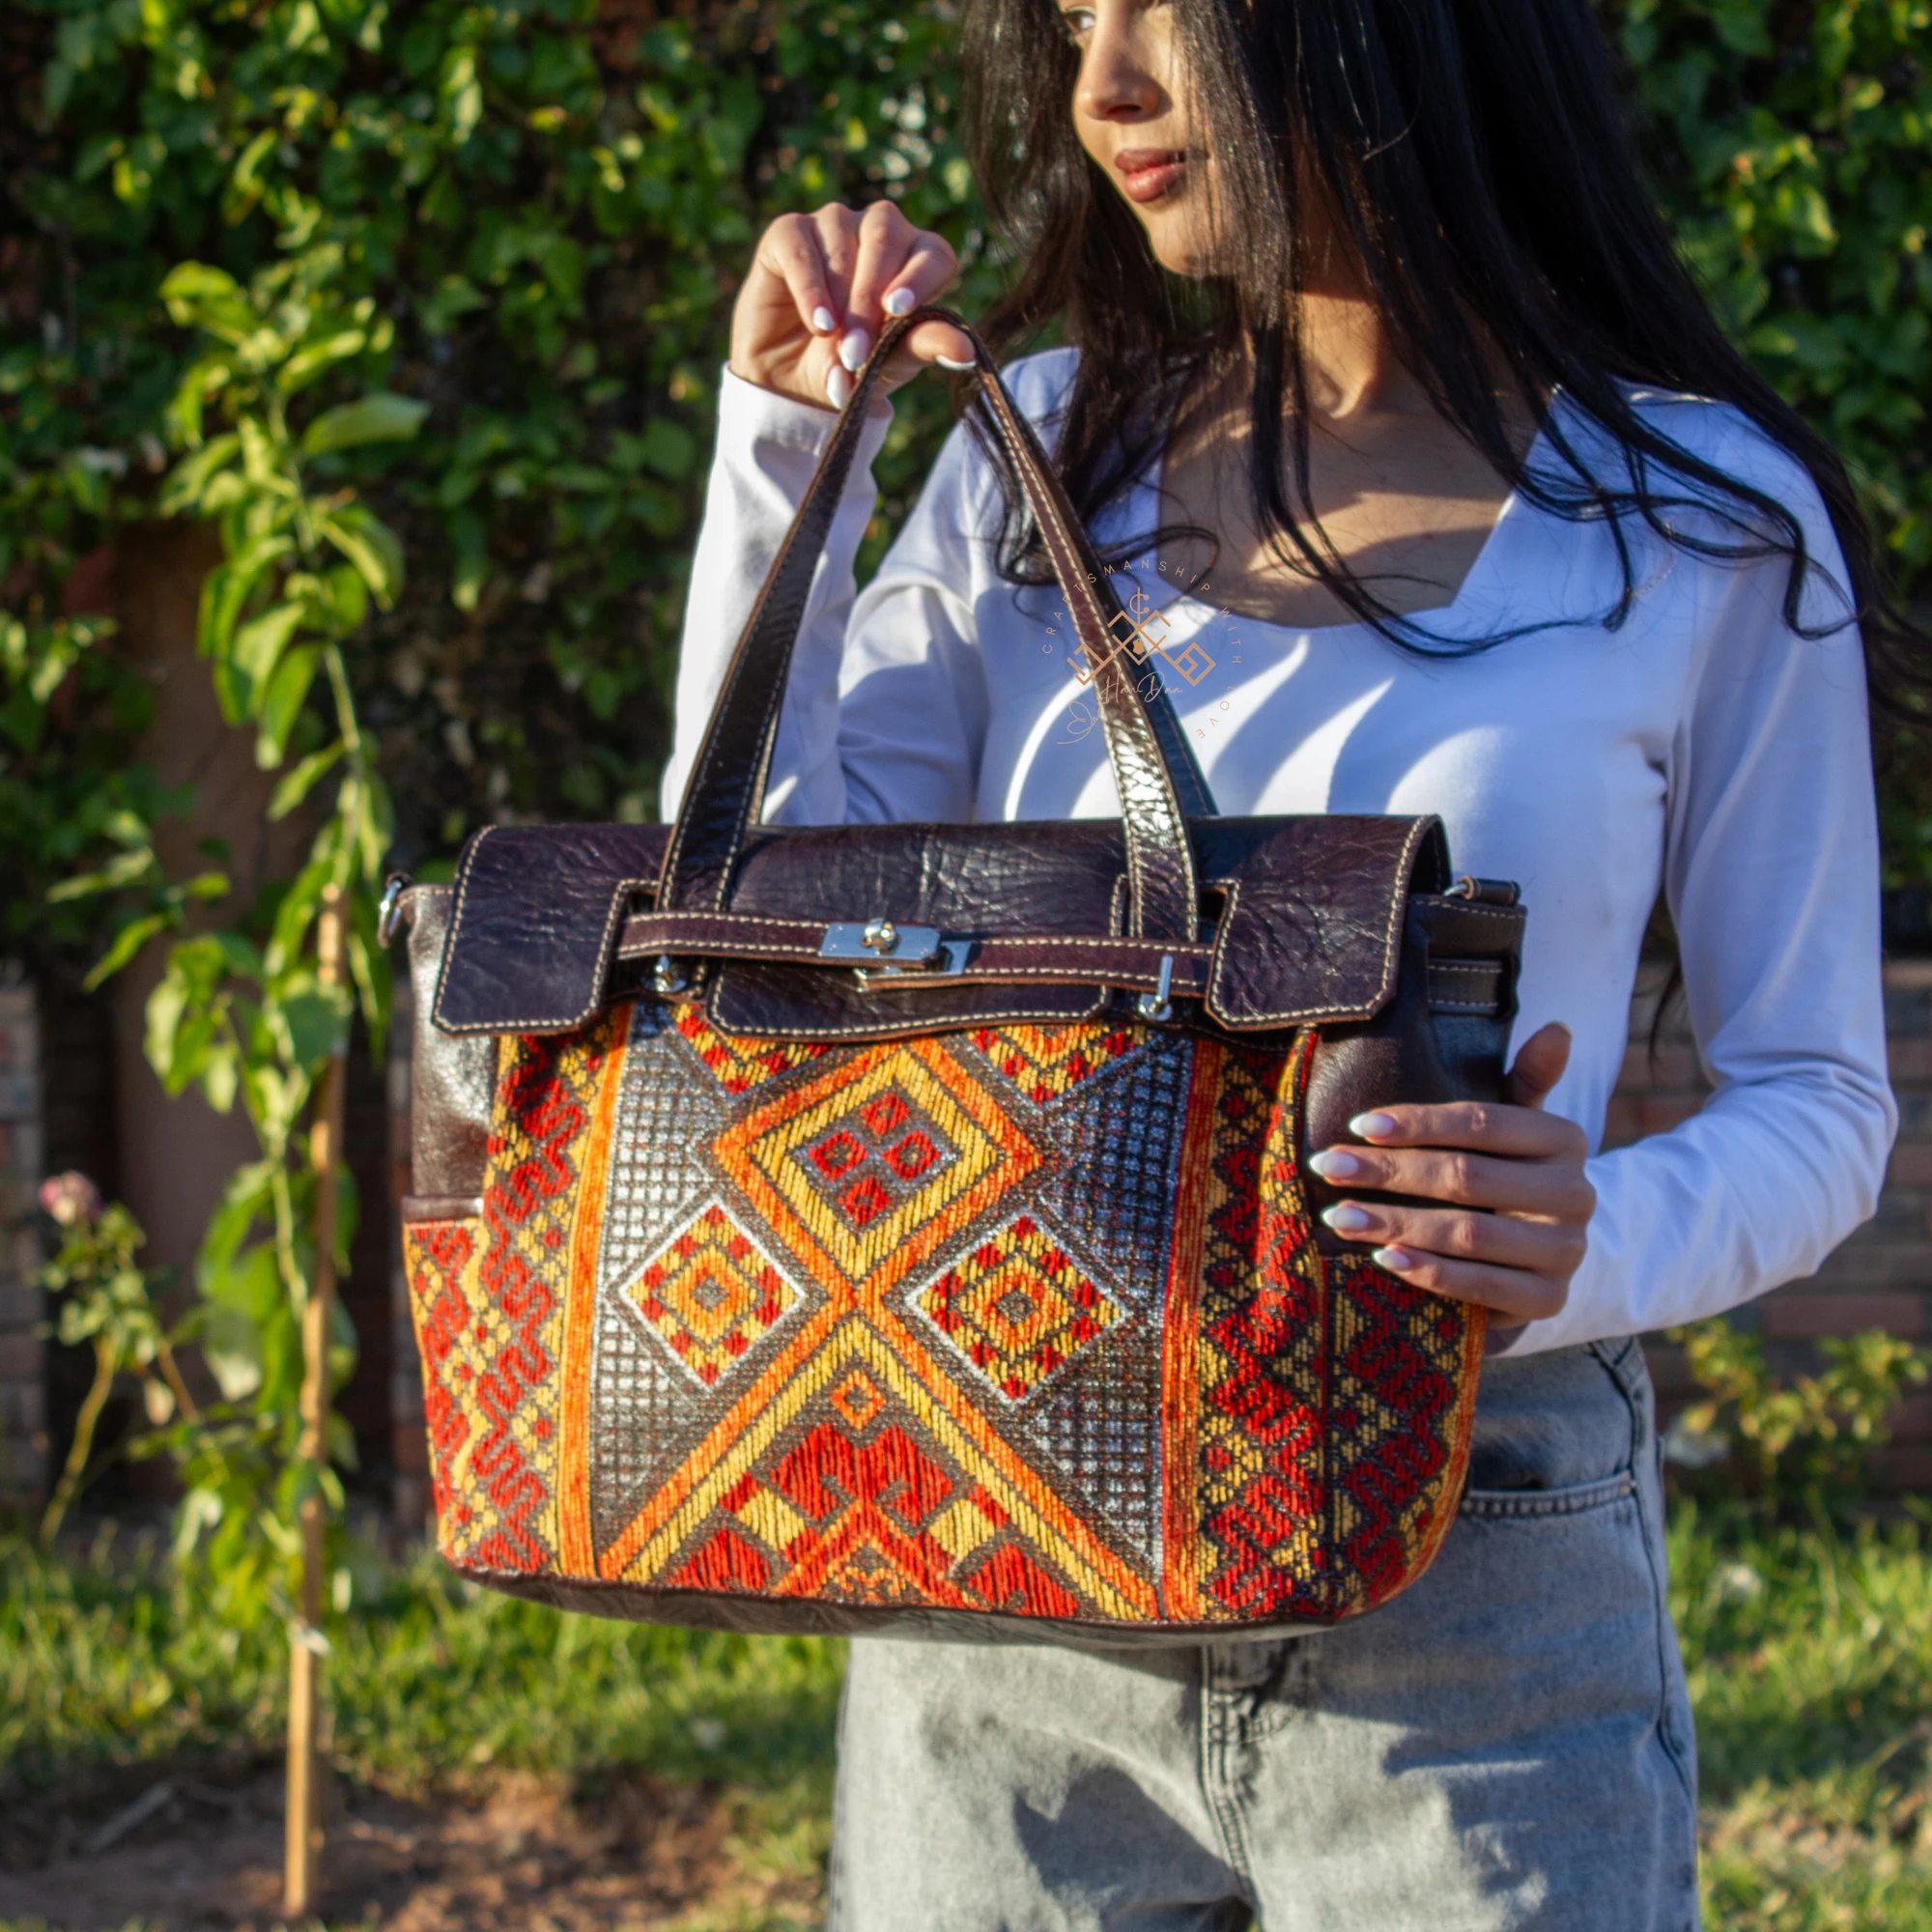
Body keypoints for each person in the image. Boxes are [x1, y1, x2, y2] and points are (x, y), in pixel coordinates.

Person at [662, 0, 1906, 1924]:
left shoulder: (1701, 526)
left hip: (1470, 1552)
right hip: (1006, 1533)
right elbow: (751, 935)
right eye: (1071, 25)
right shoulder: (1035, 457)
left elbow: (1818, 1099)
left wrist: (1597, 1239)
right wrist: (780, 453)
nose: (1103, 89)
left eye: (1166, 15)